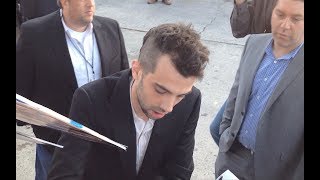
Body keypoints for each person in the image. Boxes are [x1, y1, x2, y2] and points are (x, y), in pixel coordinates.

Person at [47, 23, 210, 180]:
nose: (168, 107)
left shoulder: (191, 101)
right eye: (160, 90)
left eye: (180, 96)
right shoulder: (91, 100)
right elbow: (64, 173)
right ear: (137, 70)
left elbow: (179, 171)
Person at [16, 0, 129, 179]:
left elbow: (124, 82)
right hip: (56, 144)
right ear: (63, 2)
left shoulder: (111, 28)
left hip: (103, 142)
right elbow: (22, 85)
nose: (91, 4)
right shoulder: (35, 33)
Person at [215, 0, 304, 179]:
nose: (285, 25)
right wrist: (226, 134)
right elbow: (235, 93)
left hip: (276, 171)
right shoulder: (254, 43)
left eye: (296, 19)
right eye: (280, 15)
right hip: (232, 159)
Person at [210, 0, 277, 146]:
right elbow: (239, 30)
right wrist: (240, 4)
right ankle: (237, 164)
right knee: (218, 129)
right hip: (255, 69)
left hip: (283, 73)